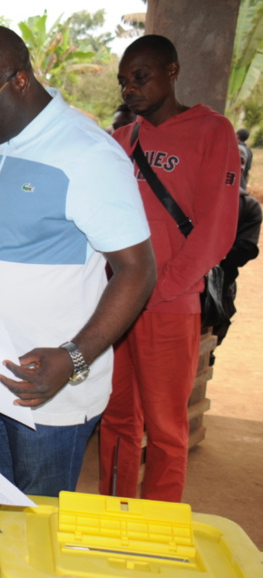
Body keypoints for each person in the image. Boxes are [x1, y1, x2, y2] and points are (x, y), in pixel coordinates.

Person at [0, 24, 155, 498]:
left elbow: (138, 270)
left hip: (48, 392)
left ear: (19, 80)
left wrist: (73, 358)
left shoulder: (88, 154)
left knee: (37, 524)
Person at [99, 35, 240, 503]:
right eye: (123, 81)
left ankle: (158, 528)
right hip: (118, 305)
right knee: (117, 419)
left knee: (165, 428)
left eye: (141, 76)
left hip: (169, 305)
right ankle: (115, 516)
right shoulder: (122, 140)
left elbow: (217, 230)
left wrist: (156, 289)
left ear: (172, 71)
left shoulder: (212, 131)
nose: (130, 88)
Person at [211, 144, 261, 351]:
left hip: (219, 287)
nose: (237, 165)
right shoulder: (196, 194)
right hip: (198, 286)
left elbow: (246, 250)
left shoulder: (249, 206)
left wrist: (209, 258)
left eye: (241, 161)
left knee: (209, 341)